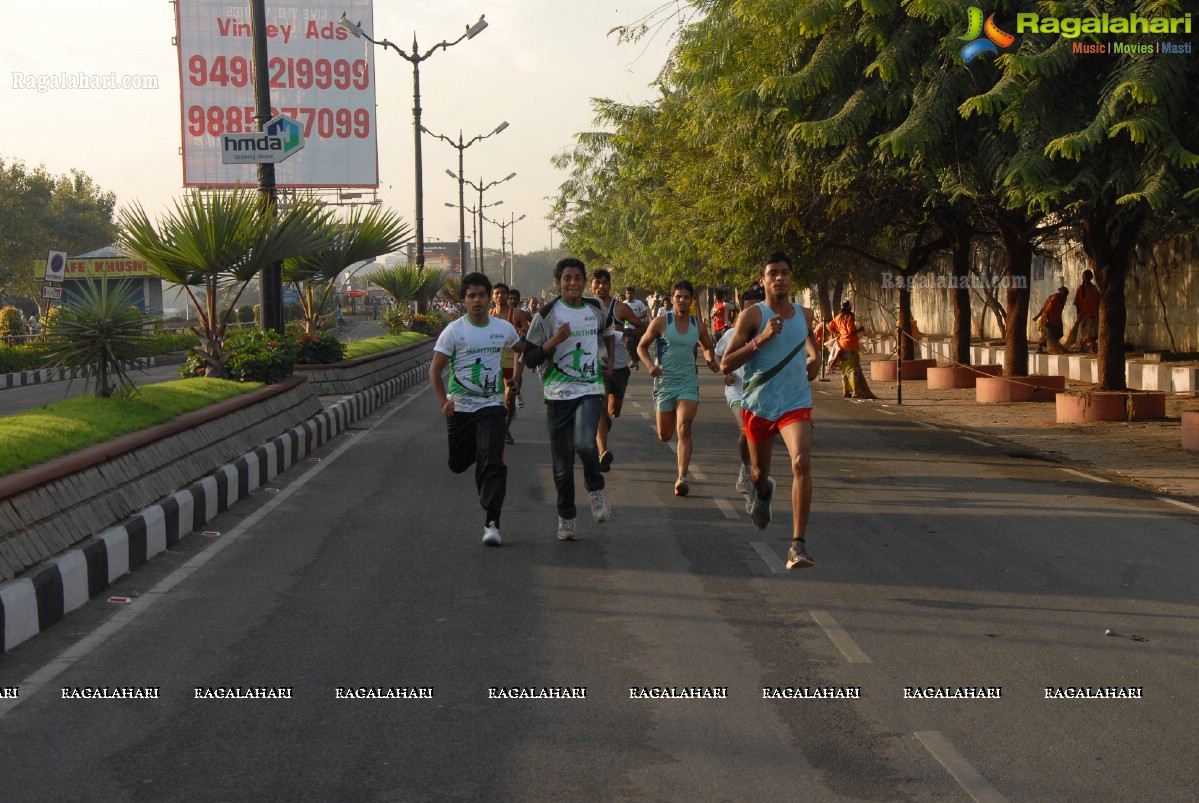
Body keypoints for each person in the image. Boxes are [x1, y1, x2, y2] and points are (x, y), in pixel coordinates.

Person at [720, 251, 819, 571]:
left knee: (801, 461)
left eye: (785, 272)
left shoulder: (805, 315)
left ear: (792, 278)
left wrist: (815, 358)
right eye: (773, 273)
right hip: (759, 405)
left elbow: (810, 343)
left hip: (795, 402)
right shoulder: (752, 317)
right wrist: (760, 339)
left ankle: (797, 545)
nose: (780, 278)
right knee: (759, 474)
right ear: (763, 280)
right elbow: (726, 363)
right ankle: (762, 492)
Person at [522, 257, 616, 541]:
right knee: (562, 465)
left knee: (585, 442)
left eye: (577, 278)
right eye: (567, 278)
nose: (572, 283)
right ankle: (566, 518)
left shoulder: (596, 307)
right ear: (558, 283)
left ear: (584, 281)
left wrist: (610, 358)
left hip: (589, 388)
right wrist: (554, 340)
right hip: (557, 393)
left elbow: (609, 333)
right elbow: (529, 358)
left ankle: (595, 488)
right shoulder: (547, 315)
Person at [429, 272, 524, 547]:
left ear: (488, 297)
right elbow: (435, 371)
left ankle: (492, 521)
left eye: (482, 294)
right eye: (472, 296)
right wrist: (443, 403)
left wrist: (516, 378)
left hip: (491, 405)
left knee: (493, 459)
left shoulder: (503, 328)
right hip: (460, 409)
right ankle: (478, 458)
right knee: (458, 463)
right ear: (464, 301)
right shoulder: (454, 331)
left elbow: (521, 349)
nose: (478, 300)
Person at [637, 279, 721, 496]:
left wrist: (712, 361)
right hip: (665, 384)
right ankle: (671, 414)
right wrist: (650, 366)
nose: (682, 300)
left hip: (687, 383)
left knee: (684, 427)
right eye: (678, 297)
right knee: (665, 435)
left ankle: (682, 477)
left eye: (686, 297)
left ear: (691, 300)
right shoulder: (661, 322)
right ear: (672, 299)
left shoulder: (698, 325)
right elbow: (641, 347)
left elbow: (708, 347)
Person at [590, 270, 645, 472]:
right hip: (597, 365)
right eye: (597, 283)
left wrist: (626, 331)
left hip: (620, 365)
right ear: (591, 285)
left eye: (605, 283)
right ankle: (603, 452)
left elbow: (642, 327)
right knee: (602, 409)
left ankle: (606, 423)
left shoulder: (619, 308)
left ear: (610, 286)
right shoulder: (586, 307)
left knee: (614, 411)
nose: (601, 286)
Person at [714, 288, 766, 495]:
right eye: (747, 309)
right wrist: (723, 373)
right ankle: (746, 468)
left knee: (760, 437)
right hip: (737, 391)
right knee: (746, 430)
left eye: (756, 308)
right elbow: (719, 355)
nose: (751, 313)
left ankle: (758, 471)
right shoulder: (730, 334)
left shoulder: (771, 333)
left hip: (763, 393)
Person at [490, 283, 531, 443]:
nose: (500, 296)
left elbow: (530, 333)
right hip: (494, 364)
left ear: (507, 296)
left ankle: (506, 430)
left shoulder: (516, 315)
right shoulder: (489, 316)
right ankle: (498, 428)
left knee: (509, 398)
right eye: (497, 293)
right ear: (492, 297)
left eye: (503, 293)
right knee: (495, 400)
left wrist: (523, 336)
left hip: (513, 363)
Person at [828, 301, 865, 398]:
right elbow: (852, 331)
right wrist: (861, 329)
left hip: (841, 344)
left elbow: (829, 326)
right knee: (853, 369)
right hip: (851, 344)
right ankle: (855, 391)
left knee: (844, 369)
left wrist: (838, 333)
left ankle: (845, 391)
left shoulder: (838, 317)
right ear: (849, 307)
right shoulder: (849, 317)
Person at [1033, 286, 1069, 354]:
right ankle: (1040, 346)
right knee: (1047, 334)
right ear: (1060, 293)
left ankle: (1055, 346)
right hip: (1049, 319)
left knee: (1059, 334)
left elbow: (1060, 311)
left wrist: (1060, 321)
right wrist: (1046, 321)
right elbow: (1046, 311)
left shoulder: (1064, 299)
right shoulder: (1054, 299)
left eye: (1066, 295)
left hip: (1057, 319)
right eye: (1063, 294)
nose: (1065, 296)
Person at [1072, 270, 1099, 353]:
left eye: (1088, 276)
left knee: (1093, 333)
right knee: (1084, 333)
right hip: (1084, 315)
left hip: (1094, 314)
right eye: (1085, 276)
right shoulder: (1081, 289)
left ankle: (1091, 347)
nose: (1087, 278)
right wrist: (1078, 313)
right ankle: (1084, 347)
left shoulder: (1094, 288)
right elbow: (1077, 303)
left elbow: (1099, 300)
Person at [623, 286, 649, 370]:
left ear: (633, 294)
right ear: (625, 294)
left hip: (637, 327)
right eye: (628, 293)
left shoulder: (639, 303)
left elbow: (645, 313)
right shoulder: (623, 304)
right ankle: (634, 360)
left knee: (637, 345)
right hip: (627, 327)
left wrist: (638, 318)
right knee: (629, 343)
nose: (629, 295)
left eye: (631, 293)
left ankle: (635, 361)